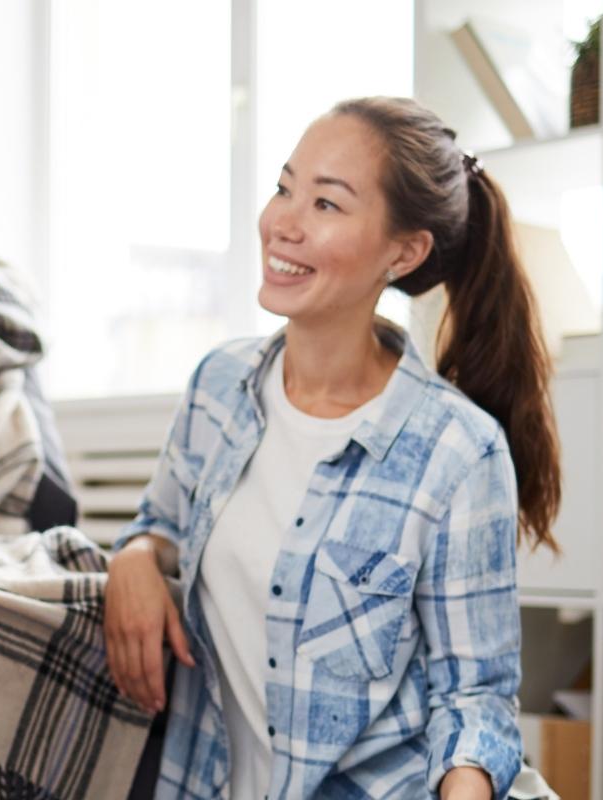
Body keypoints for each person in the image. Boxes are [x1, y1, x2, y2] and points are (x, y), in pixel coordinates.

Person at [103, 96, 561, 800]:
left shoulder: (459, 452)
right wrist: (133, 560)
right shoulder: (218, 388)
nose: (281, 222)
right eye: (285, 187)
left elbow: (475, 698)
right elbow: (160, 523)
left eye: (326, 205)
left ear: (403, 252)